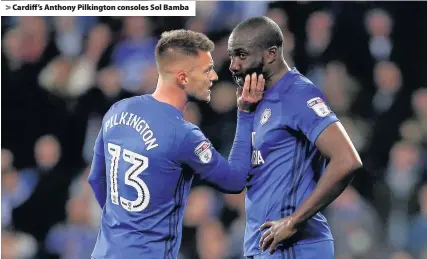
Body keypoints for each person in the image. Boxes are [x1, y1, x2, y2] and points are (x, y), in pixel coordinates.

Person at [87, 29, 264, 259]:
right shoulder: (183, 134)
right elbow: (235, 180)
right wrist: (246, 113)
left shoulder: (118, 110)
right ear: (183, 78)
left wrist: (122, 227)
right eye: (206, 70)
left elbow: (96, 178)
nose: (213, 77)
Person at [227, 16, 364, 259]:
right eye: (231, 56)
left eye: (241, 55)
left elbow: (347, 160)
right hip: (260, 247)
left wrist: (294, 221)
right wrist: (244, 113)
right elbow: (235, 179)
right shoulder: (256, 100)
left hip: (295, 248)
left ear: (270, 54)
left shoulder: (298, 93)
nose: (233, 65)